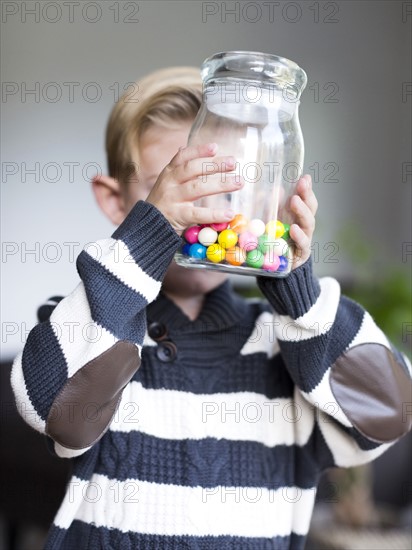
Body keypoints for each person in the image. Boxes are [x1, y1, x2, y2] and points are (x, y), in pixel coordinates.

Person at [11, 66, 412, 549]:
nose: (212, 213)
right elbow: (53, 408)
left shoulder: (288, 345)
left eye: (228, 190)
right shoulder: (98, 326)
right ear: (117, 203)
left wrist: (301, 299)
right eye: (178, 188)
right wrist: (145, 241)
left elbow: (389, 415)